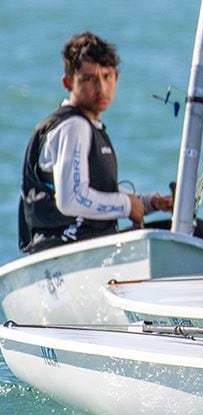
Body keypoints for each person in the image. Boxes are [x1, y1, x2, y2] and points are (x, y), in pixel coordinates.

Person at [18, 32, 173, 254]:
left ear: (116, 78)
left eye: (107, 76)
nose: (101, 88)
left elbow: (89, 190)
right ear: (68, 82)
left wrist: (147, 203)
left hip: (84, 245)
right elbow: (72, 199)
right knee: (197, 232)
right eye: (89, 79)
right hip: (66, 250)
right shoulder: (73, 127)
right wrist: (126, 205)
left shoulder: (85, 125)